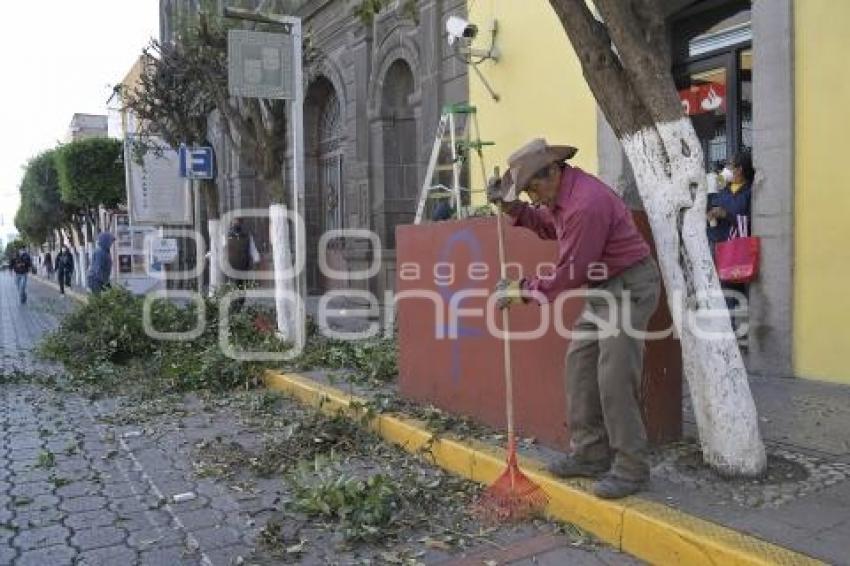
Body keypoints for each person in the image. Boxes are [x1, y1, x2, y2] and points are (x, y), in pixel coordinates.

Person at [487, 138, 661, 499]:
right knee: (579, 366)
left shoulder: (585, 204)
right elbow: (548, 225)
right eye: (527, 193)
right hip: (602, 288)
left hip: (629, 286)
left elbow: (570, 271)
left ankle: (632, 468)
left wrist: (521, 290)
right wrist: (511, 208)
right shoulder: (561, 196)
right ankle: (590, 453)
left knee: (613, 378)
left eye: (532, 189)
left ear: (551, 171)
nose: (533, 199)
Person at [707, 150, 754, 332]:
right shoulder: (722, 191)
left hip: (737, 249)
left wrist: (727, 214)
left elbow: (751, 220)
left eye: (729, 166)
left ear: (739, 169)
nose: (725, 169)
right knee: (719, 291)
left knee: (735, 289)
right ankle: (725, 330)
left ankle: (739, 331)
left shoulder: (749, 191)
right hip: (718, 245)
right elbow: (710, 213)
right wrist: (710, 215)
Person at [225, 218, 260, 309]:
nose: (236, 224)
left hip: (244, 265)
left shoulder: (247, 236)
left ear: (241, 223)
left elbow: (252, 249)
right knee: (233, 286)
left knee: (242, 287)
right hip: (232, 266)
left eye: (238, 222)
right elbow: (220, 249)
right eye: (234, 222)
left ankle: (239, 305)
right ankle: (233, 306)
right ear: (231, 223)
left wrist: (256, 259)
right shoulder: (227, 236)